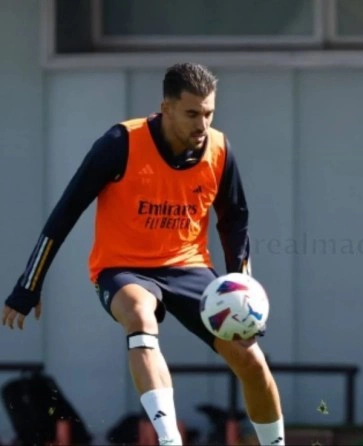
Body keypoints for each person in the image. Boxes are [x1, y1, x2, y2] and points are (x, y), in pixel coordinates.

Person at [2, 63, 286, 446]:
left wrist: (242, 292)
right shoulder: (120, 143)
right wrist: (30, 283)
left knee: (250, 358)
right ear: (166, 108)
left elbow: (235, 222)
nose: (202, 124)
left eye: (208, 113)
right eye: (191, 114)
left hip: (188, 267)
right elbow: (66, 212)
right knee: (139, 314)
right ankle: (169, 441)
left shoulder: (219, 150)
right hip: (123, 269)